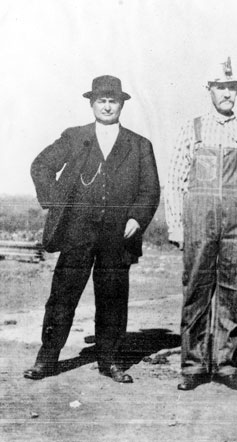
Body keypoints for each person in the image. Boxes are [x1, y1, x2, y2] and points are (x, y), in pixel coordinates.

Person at [25, 75, 160, 383]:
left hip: (118, 235)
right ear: (91, 104)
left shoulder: (139, 145)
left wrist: (136, 219)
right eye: (102, 100)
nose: (108, 106)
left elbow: (150, 189)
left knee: (113, 298)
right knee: (62, 297)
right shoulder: (74, 137)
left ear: (122, 104)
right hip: (77, 232)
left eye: (113, 101)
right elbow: (41, 166)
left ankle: (111, 361)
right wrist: (56, 203)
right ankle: (46, 360)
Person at [165, 58, 237, 391]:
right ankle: (193, 365)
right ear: (209, 89)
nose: (227, 94)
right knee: (196, 292)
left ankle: (225, 364)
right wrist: (177, 227)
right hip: (199, 223)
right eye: (221, 87)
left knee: (233, 292)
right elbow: (175, 179)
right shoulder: (191, 129)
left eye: (231, 88)